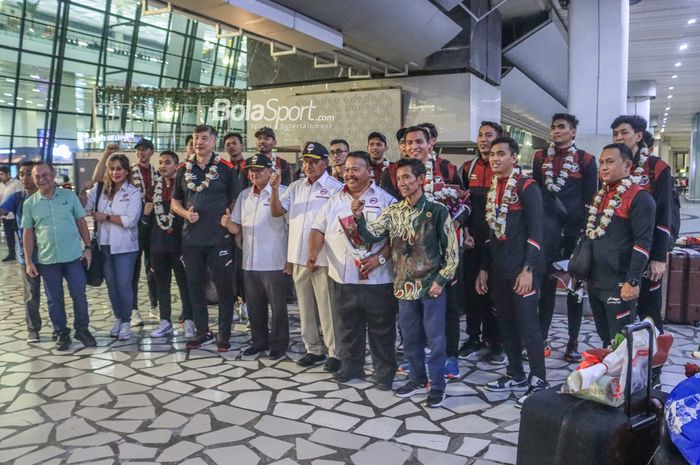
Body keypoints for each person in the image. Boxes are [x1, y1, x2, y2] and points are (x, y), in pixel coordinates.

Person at [352, 157, 458, 408]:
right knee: (410, 338)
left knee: (435, 339)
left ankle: (438, 385)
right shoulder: (393, 212)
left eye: (407, 177)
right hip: (403, 285)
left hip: (431, 285)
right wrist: (358, 217)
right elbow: (371, 235)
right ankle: (417, 379)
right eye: (399, 178)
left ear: (421, 179)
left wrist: (441, 280)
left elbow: (452, 251)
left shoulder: (437, 210)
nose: (402, 183)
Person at [309, 151, 398, 389]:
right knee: (347, 326)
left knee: (382, 330)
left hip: (377, 279)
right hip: (343, 276)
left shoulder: (386, 201)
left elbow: (395, 240)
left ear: (369, 171)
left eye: (356, 169)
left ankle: (384, 373)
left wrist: (379, 259)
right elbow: (317, 229)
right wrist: (312, 256)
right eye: (347, 169)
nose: (349, 174)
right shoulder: (334, 200)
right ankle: (351, 366)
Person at [476, 137, 548, 408]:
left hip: (524, 271)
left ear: (514, 158)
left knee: (528, 325)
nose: (495, 158)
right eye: (492, 154)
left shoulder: (528, 187)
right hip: (499, 270)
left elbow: (537, 232)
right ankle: (516, 373)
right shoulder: (493, 188)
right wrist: (484, 268)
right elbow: (490, 235)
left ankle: (538, 379)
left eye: (501, 154)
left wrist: (528, 269)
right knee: (506, 323)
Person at [270, 141, 343, 371]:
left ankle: (335, 352)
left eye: (313, 162)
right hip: (298, 258)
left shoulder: (335, 188)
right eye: (305, 162)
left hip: (323, 259)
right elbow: (276, 212)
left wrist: (315, 254)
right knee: (305, 307)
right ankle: (313, 349)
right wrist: (274, 189)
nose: (308, 166)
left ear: (325, 163)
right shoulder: (295, 186)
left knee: (327, 307)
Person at [402, 125, 467, 379]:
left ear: (431, 144)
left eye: (420, 141)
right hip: (410, 253)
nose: (414, 146)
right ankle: (415, 356)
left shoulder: (447, 168)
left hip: (444, 251)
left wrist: (454, 225)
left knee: (448, 306)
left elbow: (465, 203)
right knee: (413, 307)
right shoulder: (396, 171)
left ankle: (450, 356)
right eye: (409, 142)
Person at [532, 113, 597, 362]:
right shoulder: (540, 157)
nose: (556, 131)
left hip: (575, 234)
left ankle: (573, 341)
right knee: (547, 285)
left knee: (574, 289)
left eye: (562, 127)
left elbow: (591, 199)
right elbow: (536, 194)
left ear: (573, 132)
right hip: (548, 233)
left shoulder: (586, 160)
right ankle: (542, 339)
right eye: (553, 127)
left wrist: (584, 235)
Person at [171, 124, 240, 351]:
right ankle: (202, 332)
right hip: (191, 241)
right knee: (195, 288)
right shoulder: (183, 169)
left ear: (213, 141)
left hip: (219, 239)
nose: (199, 142)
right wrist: (185, 214)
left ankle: (224, 333)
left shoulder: (226, 169)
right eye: (196, 138)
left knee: (223, 289)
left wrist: (228, 217)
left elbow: (235, 199)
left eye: (204, 138)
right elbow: (175, 202)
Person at [222, 154, 290, 359]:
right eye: (251, 171)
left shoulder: (284, 193)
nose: (254, 175)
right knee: (255, 306)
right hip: (250, 261)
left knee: (278, 308)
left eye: (259, 171)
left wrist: (290, 258)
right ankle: (259, 341)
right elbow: (237, 227)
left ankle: (278, 344)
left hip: (275, 260)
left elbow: (291, 226)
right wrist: (226, 222)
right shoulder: (244, 196)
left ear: (271, 172)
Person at [586, 143, 655, 345]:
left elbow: (643, 242)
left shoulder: (640, 197)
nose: (604, 167)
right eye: (601, 163)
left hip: (620, 284)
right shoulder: (601, 195)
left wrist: (632, 281)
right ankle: (609, 375)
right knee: (604, 338)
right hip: (596, 281)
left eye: (610, 162)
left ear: (627, 166)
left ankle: (625, 378)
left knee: (620, 341)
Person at [22, 162, 96, 351]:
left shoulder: (69, 197)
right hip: (48, 261)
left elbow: (81, 222)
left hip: (73, 258)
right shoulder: (30, 204)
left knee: (79, 295)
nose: (42, 178)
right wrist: (29, 261)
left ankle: (82, 329)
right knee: (54, 299)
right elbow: (28, 233)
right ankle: (61, 332)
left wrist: (87, 248)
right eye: (37, 176)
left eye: (45, 174)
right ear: (33, 178)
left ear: (53, 174)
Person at [611, 115, 672, 339]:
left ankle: (653, 371)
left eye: (623, 132)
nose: (618, 137)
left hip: (647, 252)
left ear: (638, 136)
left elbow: (665, 214)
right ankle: (623, 365)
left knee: (650, 314)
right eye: (615, 133)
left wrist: (659, 257)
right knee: (619, 315)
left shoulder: (657, 167)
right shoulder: (614, 165)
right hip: (619, 254)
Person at [458, 121, 505, 364]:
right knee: (473, 292)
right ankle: (473, 337)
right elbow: (461, 205)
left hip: (498, 242)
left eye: (489, 135)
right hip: (473, 241)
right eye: (480, 135)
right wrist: (464, 232)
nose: (483, 139)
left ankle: (496, 342)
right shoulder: (468, 168)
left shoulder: (505, 170)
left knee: (495, 293)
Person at [84, 154, 142, 341]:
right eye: (112, 168)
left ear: (126, 171)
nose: (115, 172)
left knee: (124, 284)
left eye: (119, 168)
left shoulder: (133, 192)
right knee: (111, 285)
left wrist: (106, 217)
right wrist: (82, 193)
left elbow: (130, 220)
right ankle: (118, 318)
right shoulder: (100, 189)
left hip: (126, 246)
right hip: (104, 245)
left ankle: (126, 321)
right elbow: (84, 207)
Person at [143, 151, 194, 338]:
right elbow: (148, 220)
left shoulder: (183, 186)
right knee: (161, 285)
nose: (163, 166)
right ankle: (165, 321)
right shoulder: (153, 188)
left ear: (177, 165)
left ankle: (189, 320)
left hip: (179, 245)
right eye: (161, 162)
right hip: (158, 245)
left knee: (184, 283)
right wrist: (146, 213)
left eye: (168, 162)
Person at [0, 161, 42, 342]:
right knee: (31, 293)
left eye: (28, 174)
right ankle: (33, 329)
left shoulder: (47, 196)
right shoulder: (17, 197)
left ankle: (60, 328)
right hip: (28, 255)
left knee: (54, 293)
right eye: (22, 174)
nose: (24, 178)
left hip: (51, 254)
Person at [0, 165, 22, 262]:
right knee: (9, 236)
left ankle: (23, 253)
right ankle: (11, 254)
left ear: (7, 173)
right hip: (4, 216)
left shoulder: (17, 183)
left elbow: (19, 198)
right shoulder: (0, 185)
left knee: (20, 235)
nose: (0, 176)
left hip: (15, 215)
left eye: (1, 174)